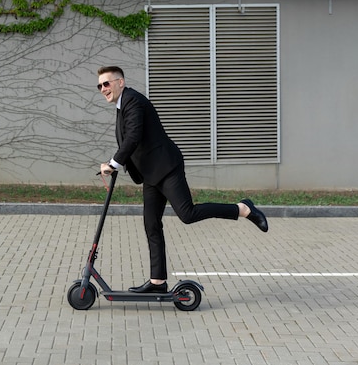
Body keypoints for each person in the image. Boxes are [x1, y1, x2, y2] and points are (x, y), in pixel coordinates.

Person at [96, 66, 269, 294]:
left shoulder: (133, 101)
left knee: (187, 214)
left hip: (167, 168)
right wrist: (117, 162)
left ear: (120, 82)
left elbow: (134, 136)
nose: (102, 89)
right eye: (99, 86)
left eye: (106, 84)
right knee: (151, 225)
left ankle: (243, 209)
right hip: (151, 173)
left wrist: (113, 163)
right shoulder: (122, 106)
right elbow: (132, 139)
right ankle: (158, 282)